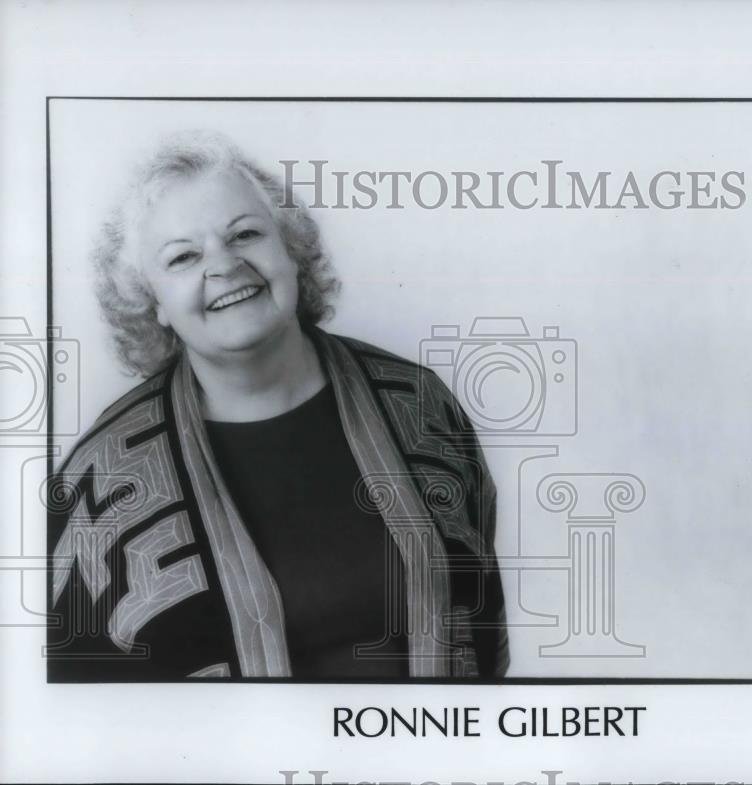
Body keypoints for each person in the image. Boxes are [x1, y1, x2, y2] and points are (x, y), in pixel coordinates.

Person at [47, 132, 508, 680]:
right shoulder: (99, 478)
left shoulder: (420, 404)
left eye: (245, 234)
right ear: (153, 305)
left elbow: (483, 628)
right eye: (184, 256)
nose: (223, 265)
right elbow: (80, 710)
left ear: (289, 250)